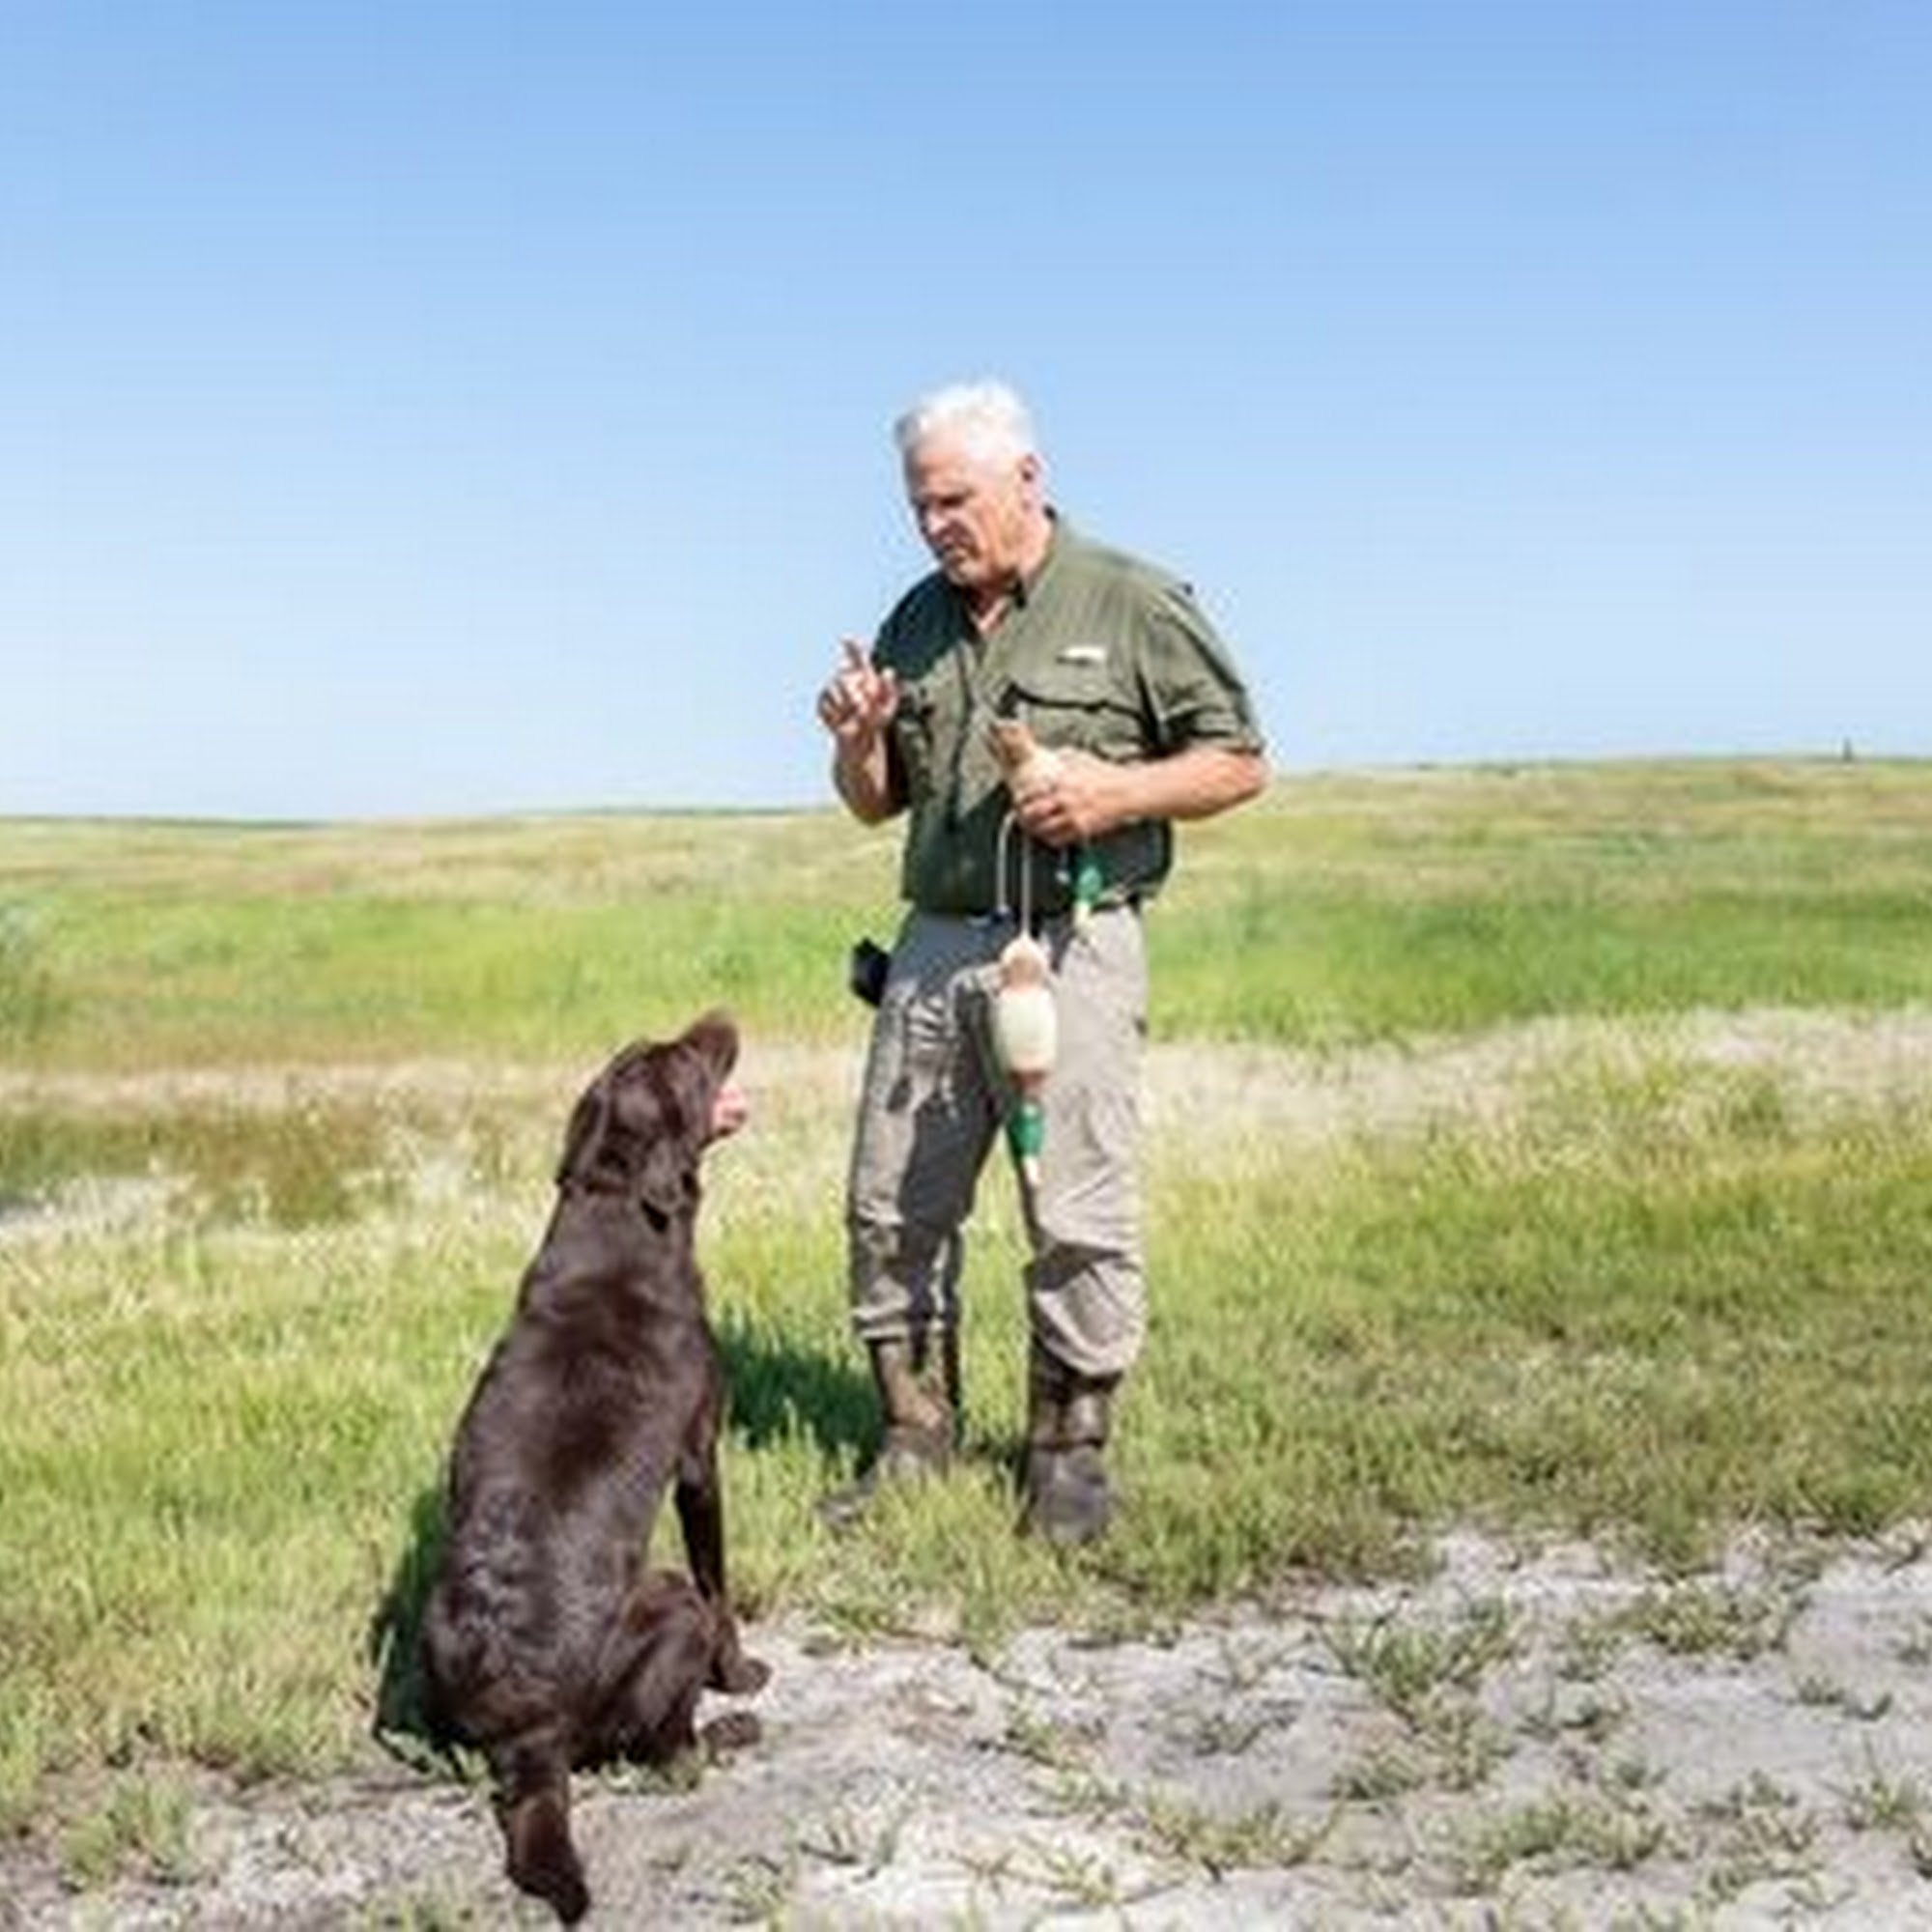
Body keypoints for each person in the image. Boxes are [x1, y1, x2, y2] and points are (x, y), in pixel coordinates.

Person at [814, 379, 1266, 1544]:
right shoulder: (915, 619)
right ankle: (914, 1434)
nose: (934, 526)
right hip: (932, 946)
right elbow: (875, 800)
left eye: (953, 500)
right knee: (890, 1201)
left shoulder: (1131, 599)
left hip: (1070, 940)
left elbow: (1236, 760)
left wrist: (1113, 792)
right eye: (919, 506)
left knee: (1072, 1204)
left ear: (1027, 477)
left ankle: (1067, 1452)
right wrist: (857, 741)